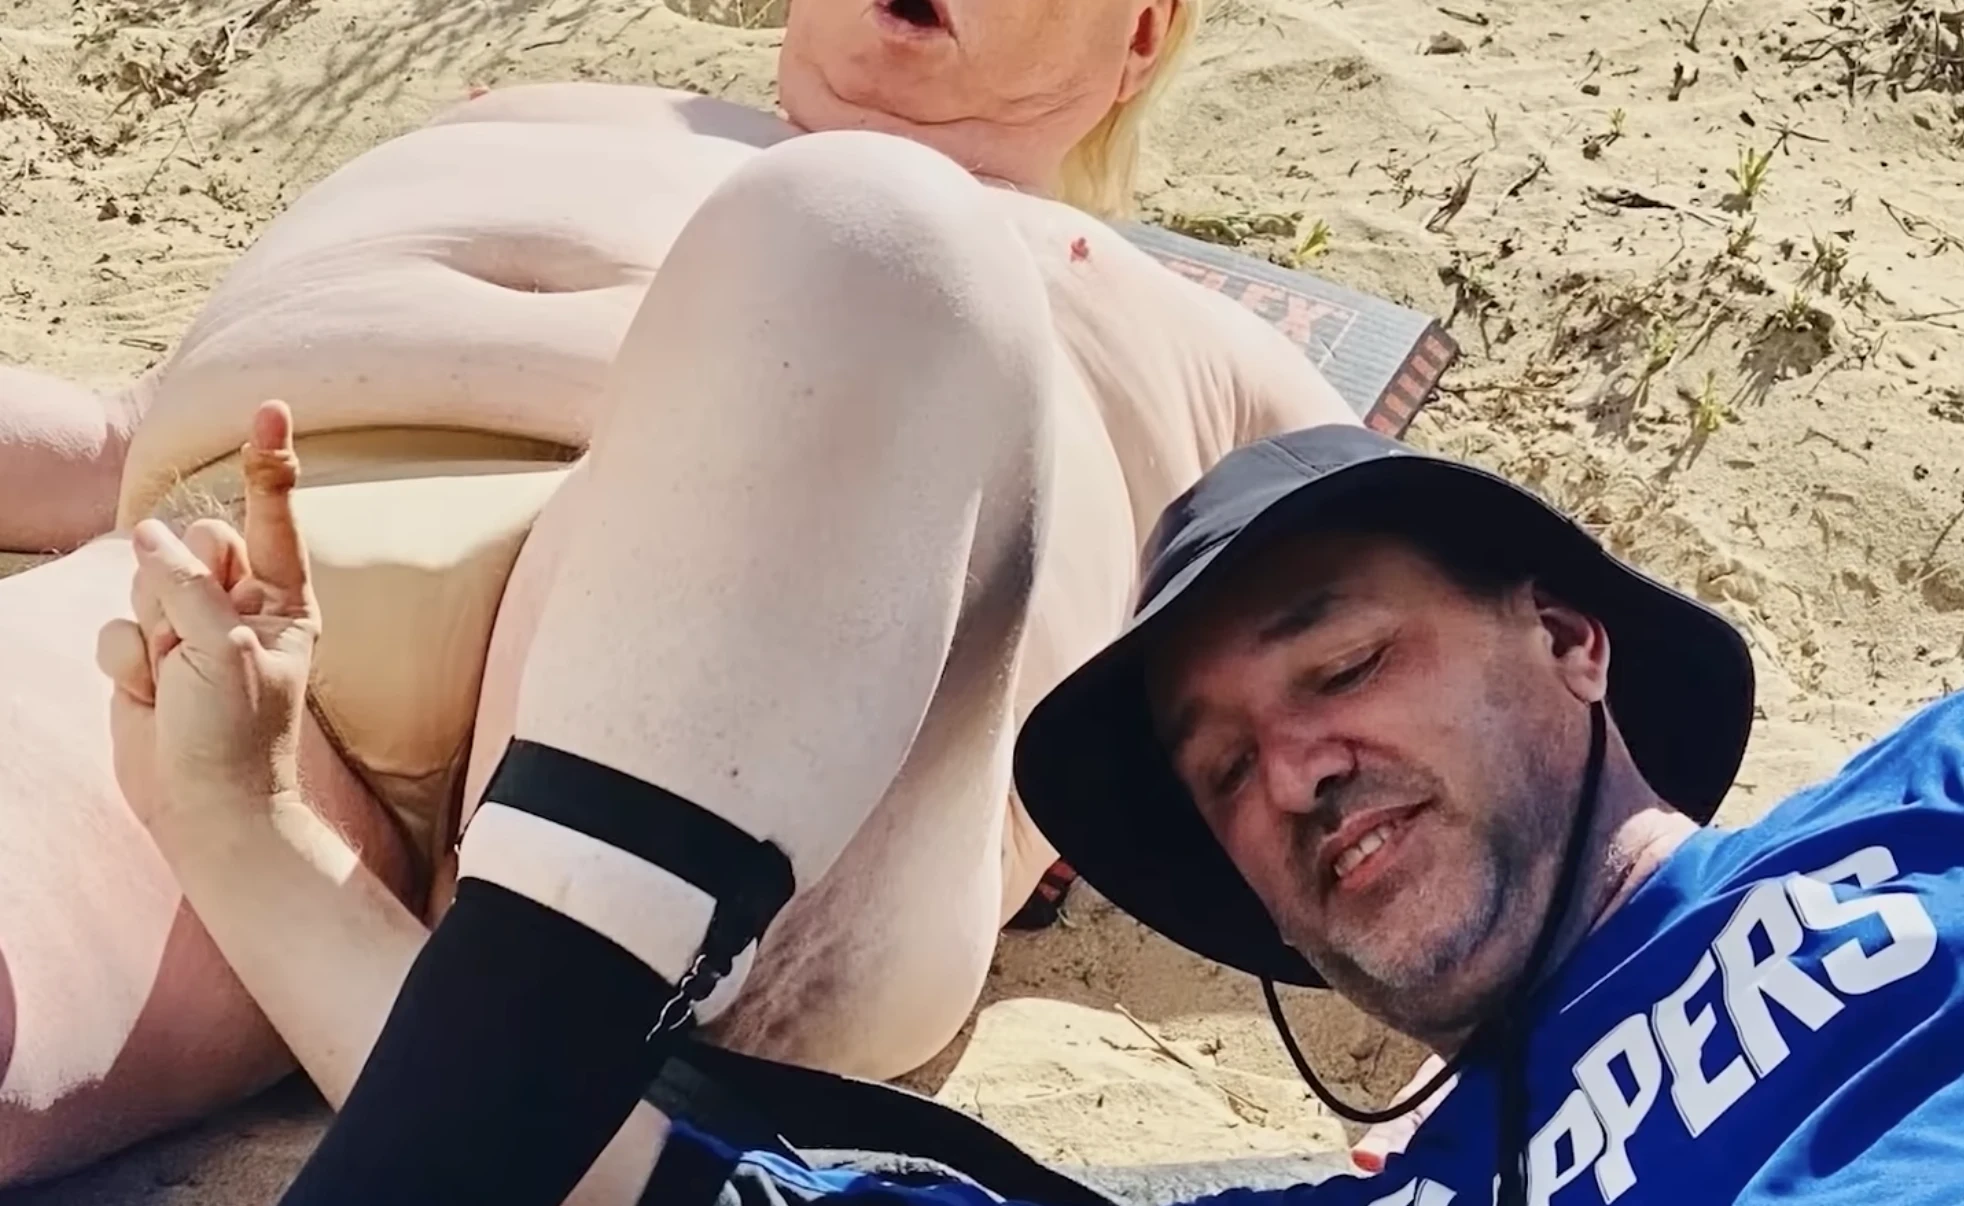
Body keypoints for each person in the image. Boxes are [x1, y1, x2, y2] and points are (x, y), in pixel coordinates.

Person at [0, 0, 1372, 1186]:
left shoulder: (1196, 337)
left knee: (879, 236)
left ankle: (488, 1067)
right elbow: (115, 434)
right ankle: (418, 1021)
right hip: (240, 576)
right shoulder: (557, 107)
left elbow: (1403, 632)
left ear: (1142, 31)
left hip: (792, 667)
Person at [119, 416, 1956, 1203]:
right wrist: (240, 823)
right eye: (1221, 771)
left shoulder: (1918, 810)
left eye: (1339, 666)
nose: (1292, 772)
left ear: (1568, 636)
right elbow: (600, 1162)